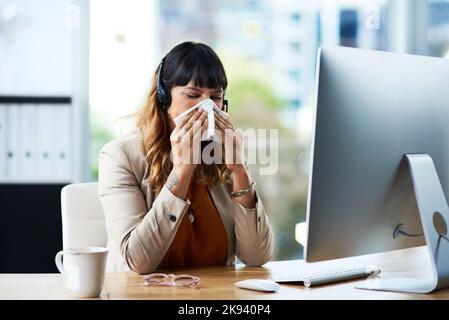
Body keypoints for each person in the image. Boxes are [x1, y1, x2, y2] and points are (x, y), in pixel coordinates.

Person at [98, 41, 274, 274]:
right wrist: (182, 171)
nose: (207, 107)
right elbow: (138, 261)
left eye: (216, 97)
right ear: (163, 97)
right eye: (193, 95)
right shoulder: (120, 157)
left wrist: (240, 170)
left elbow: (257, 256)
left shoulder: (222, 156)